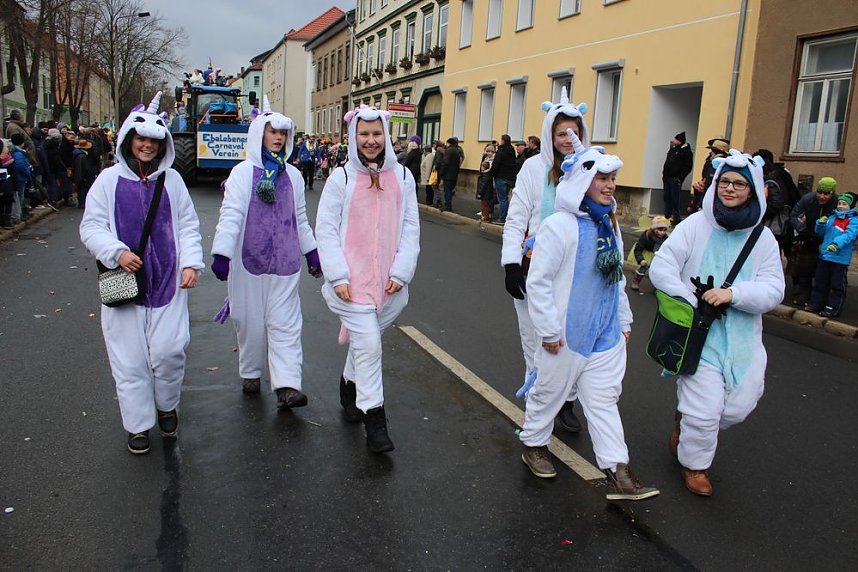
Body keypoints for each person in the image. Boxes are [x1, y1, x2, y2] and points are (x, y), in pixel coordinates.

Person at [521, 132, 658, 500]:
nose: (610, 186)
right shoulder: (558, 226)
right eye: (601, 178)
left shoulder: (609, 224)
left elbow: (615, 279)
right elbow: (540, 282)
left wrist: (623, 321)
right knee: (549, 392)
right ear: (582, 180)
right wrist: (549, 330)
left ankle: (617, 471)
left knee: (603, 400)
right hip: (565, 332)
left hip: (605, 332)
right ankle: (534, 443)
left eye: (612, 179)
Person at [649, 149, 785, 496]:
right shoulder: (695, 225)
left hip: (742, 339)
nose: (730, 189)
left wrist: (735, 294)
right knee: (704, 411)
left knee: (738, 408)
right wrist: (688, 301)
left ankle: (689, 422)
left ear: (752, 190)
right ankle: (694, 464)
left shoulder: (762, 238)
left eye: (739, 184)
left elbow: (774, 289)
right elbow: (662, 266)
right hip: (700, 337)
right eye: (725, 181)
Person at [79, 91, 204, 455]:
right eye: (141, 139)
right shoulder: (107, 181)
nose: (147, 146)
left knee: (169, 351)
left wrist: (190, 263)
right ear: (128, 140)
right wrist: (116, 252)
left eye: (153, 140)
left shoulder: (174, 181)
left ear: (162, 143)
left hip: (167, 284)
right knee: (129, 359)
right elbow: (91, 226)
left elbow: (189, 227)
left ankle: (166, 404)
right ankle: (137, 424)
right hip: (125, 285)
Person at [315, 105, 420, 453]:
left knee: (366, 339)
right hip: (350, 286)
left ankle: (348, 384)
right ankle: (374, 421)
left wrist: (401, 271)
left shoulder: (403, 177)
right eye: (364, 134)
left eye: (377, 134)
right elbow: (326, 230)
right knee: (370, 345)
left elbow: (410, 228)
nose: (371, 141)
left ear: (386, 136)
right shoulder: (340, 178)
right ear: (353, 137)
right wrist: (337, 274)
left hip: (389, 288)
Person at [211, 95, 321, 407]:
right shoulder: (243, 173)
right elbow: (231, 213)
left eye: (283, 133)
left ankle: (287, 385)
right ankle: (250, 370)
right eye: (273, 132)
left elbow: (299, 218)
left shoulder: (294, 176)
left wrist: (310, 252)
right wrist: (222, 253)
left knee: (285, 324)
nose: (278, 138)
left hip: (285, 265)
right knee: (249, 321)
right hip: (248, 263)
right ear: (259, 134)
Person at [502, 87, 587, 434]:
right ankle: (539, 405)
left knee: (572, 341)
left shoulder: (588, 169)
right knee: (537, 342)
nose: (569, 139)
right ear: (550, 134)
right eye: (562, 132)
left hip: (576, 273)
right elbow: (517, 217)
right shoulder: (532, 170)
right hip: (534, 267)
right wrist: (510, 263)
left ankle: (566, 400)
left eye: (575, 132)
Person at [805, 193, 858, 318]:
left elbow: (849, 235)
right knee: (820, 281)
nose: (840, 206)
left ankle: (832, 308)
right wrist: (820, 224)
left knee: (837, 285)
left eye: (844, 204)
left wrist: (836, 244)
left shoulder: (853, 220)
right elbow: (820, 233)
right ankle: (816, 303)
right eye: (839, 203)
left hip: (840, 259)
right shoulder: (832, 217)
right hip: (825, 255)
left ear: (850, 206)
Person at [787, 177, 838, 305]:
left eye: (826, 194)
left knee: (825, 270)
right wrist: (802, 230)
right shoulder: (808, 199)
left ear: (832, 194)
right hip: (808, 235)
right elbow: (793, 215)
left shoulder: (837, 203)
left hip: (828, 238)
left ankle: (822, 298)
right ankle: (804, 293)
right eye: (819, 192)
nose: (822, 196)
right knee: (805, 266)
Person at [629, 215, 670, 291]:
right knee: (644, 267)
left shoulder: (665, 238)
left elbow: (667, 248)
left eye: (664, 230)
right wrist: (640, 259)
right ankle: (636, 281)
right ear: (654, 229)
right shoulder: (646, 235)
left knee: (658, 271)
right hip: (647, 254)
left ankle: (657, 286)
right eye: (660, 230)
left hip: (658, 255)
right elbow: (638, 249)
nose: (662, 232)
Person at [662, 131, 694, 225]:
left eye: (675, 139)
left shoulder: (686, 152)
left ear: (680, 141)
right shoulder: (673, 149)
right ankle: (667, 216)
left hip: (675, 179)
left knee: (675, 199)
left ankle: (676, 217)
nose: (673, 140)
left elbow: (688, 166)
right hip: (667, 178)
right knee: (667, 197)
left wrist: (680, 177)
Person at [691, 138, 729, 213]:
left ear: (714, 151)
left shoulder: (715, 164)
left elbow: (708, 184)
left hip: (711, 201)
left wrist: (701, 203)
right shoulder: (724, 163)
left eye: (712, 150)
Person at [490, 134, 517, 224]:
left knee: (502, 199)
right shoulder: (512, 151)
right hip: (509, 177)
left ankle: (502, 219)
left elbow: (495, 165)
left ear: (503, 141)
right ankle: (507, 217)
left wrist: (492, 174)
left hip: (501, 177)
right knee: (505, 199)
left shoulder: (501, 152)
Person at [437, 137, 463, 212]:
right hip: (454, 173)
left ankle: (447, 206)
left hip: (448, 174)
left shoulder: (449, 151)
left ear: (449, 143)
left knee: (447, 191)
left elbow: (446, 162)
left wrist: (441, 172)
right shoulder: (457, 151)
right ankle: (448, 205)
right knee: (450, 190)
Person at [72, 139, 94, 208]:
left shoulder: (77, 154)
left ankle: (81, 202)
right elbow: (83, 167)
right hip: (83, 175)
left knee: (80, 189)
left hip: (79, 175)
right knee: (83, 189)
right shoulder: (82, 156)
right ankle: (82, 202)